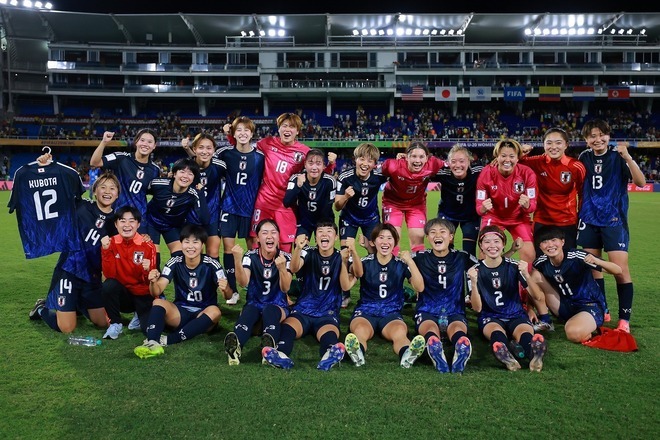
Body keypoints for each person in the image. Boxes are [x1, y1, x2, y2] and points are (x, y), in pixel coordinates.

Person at [225, 113, 335, 253]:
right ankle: (257, 272)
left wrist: (331, 165)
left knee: (285, 245)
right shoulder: (266, 143)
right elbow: (244, 150)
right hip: (264, 202)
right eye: (284, 126)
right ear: (279, 128)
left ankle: (283, 274)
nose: (287, 129)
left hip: (286, 204)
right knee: (256, 240)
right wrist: (230, 136)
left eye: (292, 127)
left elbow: (318, 171)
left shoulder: (304, 152)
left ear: (297, 131)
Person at [29, 171, 120, 334]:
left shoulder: (118, 222)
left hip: (92, 278)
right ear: (94, 190)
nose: (107, 191)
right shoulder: (81, 206)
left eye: (112, 188)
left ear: (118, 193)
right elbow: (57, 188)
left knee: (103, 323)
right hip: (69, 271)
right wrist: (46, 167)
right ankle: (42, 308)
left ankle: (77, 303)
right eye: (103, 187)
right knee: (67, 328)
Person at [577, 119, 646, 333]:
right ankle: (603, 308)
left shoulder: (618, 157)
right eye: (592, 136)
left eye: (601, 135)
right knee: (594, 268)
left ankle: (624, 319)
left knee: (620, 270)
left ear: (608, 135)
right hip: (588, 219)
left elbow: (641, 182)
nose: (598, 139)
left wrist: (628, 156)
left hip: (613, 220)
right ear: (586, 140)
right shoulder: (584, 157)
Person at [262, 221, 356, 370]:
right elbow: (293, 268)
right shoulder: (308, 252)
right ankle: (281, 355)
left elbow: (355, 275)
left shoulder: (341, 256)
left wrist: (350, 256)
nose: (324, 234)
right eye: (320, 231)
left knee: (329, 334)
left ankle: (328, 356)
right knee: (288, 329)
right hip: (304, 309)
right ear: (315, 237)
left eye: (329, 231)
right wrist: (298, 248)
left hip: (327, 311)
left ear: (336, 237)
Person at [134, 225, 232, 358]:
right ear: (181, 243)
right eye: (186, 242)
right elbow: (156, 291)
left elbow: (228, 296)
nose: (190, 246)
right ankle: (152, 341)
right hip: (180, 313)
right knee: (158, 302)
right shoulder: (175, 261)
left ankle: (171, 339)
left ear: (202, 244)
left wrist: (226, 288)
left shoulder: (212, 264)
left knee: (215, 311)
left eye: (195, 242)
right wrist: (153, 282)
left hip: (202, 315)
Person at [343, 223, 426, 368]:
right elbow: (347, 285)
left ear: (395, 242)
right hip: (365, 311)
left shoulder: (400, 264)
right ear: (373, 242)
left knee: (400, 333)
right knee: (360, 332)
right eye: (381, 238)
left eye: (389, 238)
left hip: (391, 313)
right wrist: (348, 258)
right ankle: (358, 353)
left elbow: (419, 287)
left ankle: (407, 354)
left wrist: (410, 261)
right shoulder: (365, 262)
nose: (385, 242)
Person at [467, 225, 547, 372]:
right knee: (496, 333)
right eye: (487, 242)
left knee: (525, 335)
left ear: (503, 244)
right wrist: (473, 282)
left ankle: (533, 352)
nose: (492, 245)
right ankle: (506, 353)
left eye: (496, 241)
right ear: (481, 246)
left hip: (516, 314)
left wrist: (527, 275)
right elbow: (477, 308)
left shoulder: (515, 267)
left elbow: (537, 296)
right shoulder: (474, 271)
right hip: (490, 317)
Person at [531, 226, 622, 343]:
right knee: (533, 275)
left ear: (562, 241)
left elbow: (618, 270)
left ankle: (584, 325)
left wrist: (598, 261)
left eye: (554, 240)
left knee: (573, 334)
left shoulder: (577, 257)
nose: (549, 245)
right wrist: (529, 308)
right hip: (563, 305)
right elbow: (532, 285)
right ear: (540, 246)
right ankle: (546, 321)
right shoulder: (541, 262)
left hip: (589, 305)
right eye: (544, 242)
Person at [412, 218, 478, 373]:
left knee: (455, 328)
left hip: (453, 310)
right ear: (427, 237)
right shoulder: (419, 257)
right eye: (432, 232)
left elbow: (486, 266)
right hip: (427, 310)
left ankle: (454, 343)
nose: (437, 235)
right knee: (431, 327)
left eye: (442, 232)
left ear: (451, 236)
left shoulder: (462, 257)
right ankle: (441, 345)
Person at [223, 219, 292, 365]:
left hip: (277, 305)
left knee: (269, 311)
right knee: (249, 312)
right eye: (265, 233)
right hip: (255, 303)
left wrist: (282, 269)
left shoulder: (285, 258)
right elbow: (244, 283)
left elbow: (285, 288)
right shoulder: (250, 256)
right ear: (258, 238)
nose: (269, 236)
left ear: (279, 237)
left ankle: (269, 350)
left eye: (273, 232)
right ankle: (235, 348)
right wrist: (237, 260)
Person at [217, 116, 264, 305]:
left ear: (252, 133)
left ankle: (254, 287)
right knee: (228, 250)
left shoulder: (260, 157)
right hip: (228, 207)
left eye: (247, 130)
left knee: (253, 249)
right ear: (233, 134)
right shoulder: (224, 154)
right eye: (239, 130)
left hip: (251, 211)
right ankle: (233, 290)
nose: (243, 133)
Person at [334, 142, 387, 307]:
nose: (365, 164)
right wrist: (345, 197)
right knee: (344, 254)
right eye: (362, 159)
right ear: (355, 159)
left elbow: (397, 173)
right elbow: (337, 206)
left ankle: (372, 291)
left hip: (370, 218)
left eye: (370, 161)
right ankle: (345, 294)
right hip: (349, 218)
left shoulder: (379, 176)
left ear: (374, 164)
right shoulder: (345, 177)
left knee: (375, 253)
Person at [521, 128, 586, 252]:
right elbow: (510, 161)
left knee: (567, 262)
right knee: (540, 263)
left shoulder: (576, 166)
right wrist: (521, 152)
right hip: (541, 220)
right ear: (543, 145)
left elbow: (582, 194)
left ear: (566, 145)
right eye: (549, 143)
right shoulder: (537, 162)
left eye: (558, 142)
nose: (553, 147)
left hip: (567, 222)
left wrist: (580, 218)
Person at [475, 139, 538, 265]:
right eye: (503, 156)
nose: (507, 160)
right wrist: (483, 208)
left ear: (517, 158)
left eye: (511, 156)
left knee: (529, 254)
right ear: (496, 157)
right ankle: (488, 283)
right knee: (484, 254)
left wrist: (527, 205)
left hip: (519, 217)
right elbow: (479, 207)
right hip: (494, 217)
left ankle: (524, 284)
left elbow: (533, 205)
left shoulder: (527, 173)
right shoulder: (486, 173)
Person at [100, 206, 158, 339]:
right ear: (116, 224)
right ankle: (115, 324)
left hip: (142, 295)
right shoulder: (111, 243)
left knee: (148, 330)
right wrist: (106, 250)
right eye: (122, 221)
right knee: (109, 285)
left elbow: (150, 281)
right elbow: (109, 275)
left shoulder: (148, 245)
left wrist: (147, 270)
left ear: (138, 224)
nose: (127, 225)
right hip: (123, 296)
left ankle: (139, 315)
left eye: (131, 221)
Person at [89, 130, 160, 232]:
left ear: (154, 146)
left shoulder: (155, 170)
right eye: (142, 140)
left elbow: (151, 192)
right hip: (117, 216)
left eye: (149, 142)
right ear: (136, 142)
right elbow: (95, 162)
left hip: (139, 220)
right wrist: (104, 142)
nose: (145, 144)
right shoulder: (121, 158)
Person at [380, 142, 444, 253]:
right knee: (391, 238)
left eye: (421, 156)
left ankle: (416, 268)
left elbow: (451, 166)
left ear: (427, 158)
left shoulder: (433, 164)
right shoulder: (393, 166)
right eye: (414, 156)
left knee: (418, 239)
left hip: (416, 205)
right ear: (407, 157)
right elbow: (378, 173)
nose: (417, 161)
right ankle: (392, 268)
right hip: (393, 203)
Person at [144, 157, 209, 255]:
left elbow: (205, 220)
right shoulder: (158, 184)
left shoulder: (193, 194)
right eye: (182, 172)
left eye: (190, 174)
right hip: (151, 222)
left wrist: (201, 193)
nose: (185, 176)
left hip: (172, 226)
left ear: (193, 179)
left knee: (179, 256)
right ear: (174, 174)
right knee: (153, 256)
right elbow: (141, 194)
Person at [181, 133, 226, 261]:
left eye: (209, 148)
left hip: (212, 217)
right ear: (194, 149)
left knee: (213, 253)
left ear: (214, 150)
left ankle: (213, 280)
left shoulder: (219, 166)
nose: (205, 151)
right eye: (201, 147)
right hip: (191, 217)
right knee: (192, 255)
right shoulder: (186, 167)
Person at [434, 144, 483, 257]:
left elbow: (497, 168)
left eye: (462, 161)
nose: (458, 165)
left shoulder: (478, 171)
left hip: (470, 217)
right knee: (445, 249)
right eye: (454, 161)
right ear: (449, 162)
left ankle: (469, 273)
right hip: (447, 215)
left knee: (469, 252)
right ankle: (449, 272)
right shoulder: (442, 173)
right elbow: (422, 169)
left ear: (469, 162)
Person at [283, 149, 336, 241]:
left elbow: (328, 207)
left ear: (324, 166)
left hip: (324, 222)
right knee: (300, 249)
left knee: (324, 251)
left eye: (318, 163)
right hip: (304, 223)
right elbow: (286, 202)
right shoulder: (296, 178)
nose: (314, 167)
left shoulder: (330, 181)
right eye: (310, 163)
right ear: (305, 164)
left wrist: (321, 230)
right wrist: (298, 186)